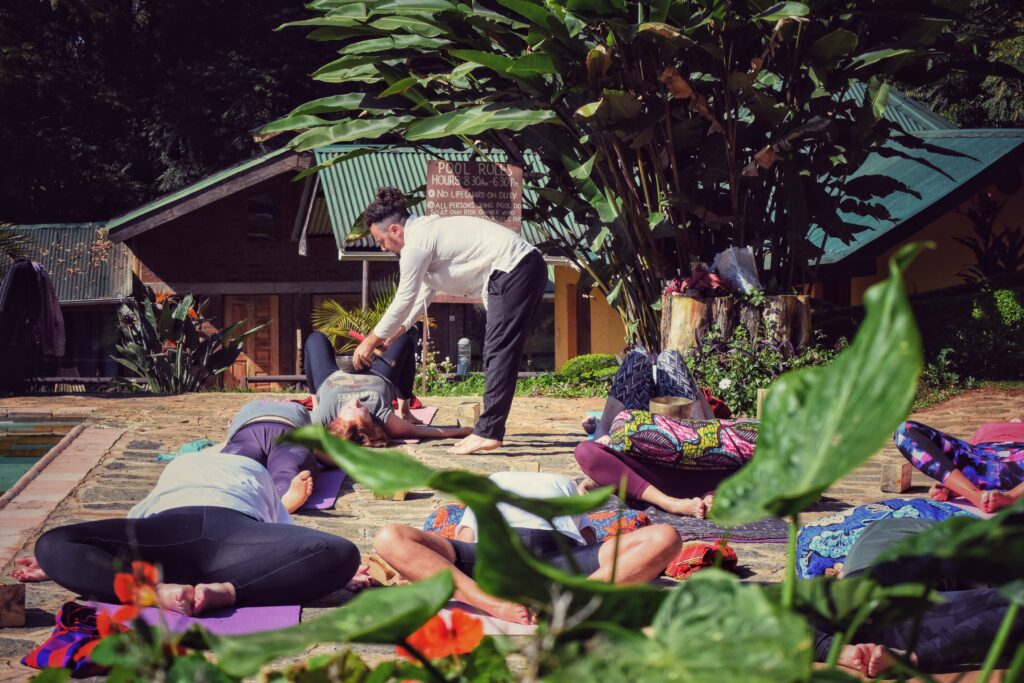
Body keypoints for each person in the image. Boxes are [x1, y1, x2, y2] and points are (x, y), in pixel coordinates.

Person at [10, 451, 362, 616]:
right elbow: (289, 537)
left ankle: (156, 592)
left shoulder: (182, 464)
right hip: (235, 540)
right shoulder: (255, 470)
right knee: (341, 553)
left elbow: (129, 528)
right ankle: (226, 592)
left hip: (170, 534)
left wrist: (68, 561)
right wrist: (331, 570)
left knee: (53, 543)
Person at [352, 186, 548, 455]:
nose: (383, 248)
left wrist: (369, 341)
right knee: (499, 351)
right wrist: (393, 335)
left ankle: (488, 432)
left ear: (395, 230)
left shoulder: (416, 245)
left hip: (514, 268)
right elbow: (421, 296)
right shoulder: (424, 237)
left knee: (499, 352)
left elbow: (403, 298)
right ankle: (489, 430)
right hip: (518, 270)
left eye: (382, 240)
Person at [373, 472, 681, 624]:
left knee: (665, 536)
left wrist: (430, 573)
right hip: (550, 557)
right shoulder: (563, 483)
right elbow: (590, 538)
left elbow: (464, 539)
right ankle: (498, 604)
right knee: (665, 536)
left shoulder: (492, 482)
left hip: (535, 556)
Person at [575, 347, 759, 518]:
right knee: (664, 358)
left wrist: (602, 477)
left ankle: (603, 431)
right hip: (692, 440)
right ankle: (702, 429)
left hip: (666, 459)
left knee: (643, 357)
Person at [305, 329, 471, 445]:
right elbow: (421, 432)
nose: (356, 401)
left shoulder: (323, 417)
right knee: (404, 339)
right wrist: (461, 431)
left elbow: (292, 431)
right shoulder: (382, 418)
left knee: (315, 338)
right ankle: (405, 412)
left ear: (337, 422)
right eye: (363, 409)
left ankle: (315, 402)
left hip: (332, 378)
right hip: (378, 377)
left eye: (350, 408)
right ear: (372, 421)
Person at [893, 420, 1024, 514]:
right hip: (980, 458)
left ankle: (1006, 497)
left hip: (982, 460)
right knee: (905, 429)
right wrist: (953, 488)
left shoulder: (990, 427)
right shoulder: (989, 427)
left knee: (904, 430)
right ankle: (973, 493)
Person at [220, 399, 324, 512]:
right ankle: (283, 493)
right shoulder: (298, 408)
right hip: (289, 431)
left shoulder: (250, 406)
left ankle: (232, 491)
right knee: (288, 463)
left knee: (238, 462)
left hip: (249, 431)